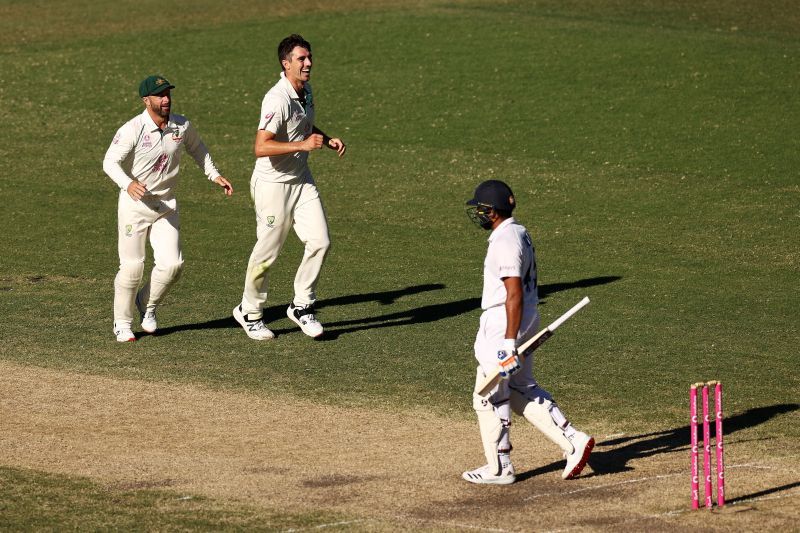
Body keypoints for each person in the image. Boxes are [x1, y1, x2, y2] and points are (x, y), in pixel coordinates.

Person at [462, 180, 594, 484]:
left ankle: (499, 468)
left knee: (488, 396)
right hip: (523, 319)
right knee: (520, 388)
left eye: (481, 209)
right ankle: (573, 439)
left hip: (504, 324)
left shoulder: (505, 241)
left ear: (492, 211)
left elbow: (513, 293)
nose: (479, 214)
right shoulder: (518, 231)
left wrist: (508, 343)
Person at [103, 75, 233, 342]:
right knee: (131, 268)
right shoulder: (133, 129)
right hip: (135, 205)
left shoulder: (181, 125)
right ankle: (122, 323)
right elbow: (110, 162)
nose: (166, 100)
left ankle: (146, 305)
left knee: (173, 265)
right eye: (160, 95)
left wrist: (214, 175)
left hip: (165, 205)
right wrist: (128, 184)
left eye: (168, 94)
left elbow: (198, 149)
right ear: (146, 100)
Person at [233, 34, 346, 341]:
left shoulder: (305, 90)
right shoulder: (277, 99)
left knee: (321, 241)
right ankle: (249, 311)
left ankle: (302, 306)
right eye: (301, 59)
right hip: (272, 185)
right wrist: (305, 144)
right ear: (286, 64)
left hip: (301, 179)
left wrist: (324, 138)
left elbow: (303, 126)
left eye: (309, 57)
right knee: (267, 253)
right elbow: (260, 146)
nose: (308, 63)